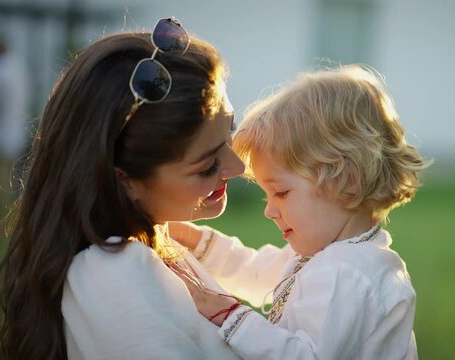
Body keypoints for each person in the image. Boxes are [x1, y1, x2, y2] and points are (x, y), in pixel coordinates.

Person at [0, 18, 245, 359]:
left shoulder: (152, 246)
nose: (238, 167)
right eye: (208, 165)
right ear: (125, 181)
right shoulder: (113, 277)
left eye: (229, 129)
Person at [171, 65, 428, 359]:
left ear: (348, 181)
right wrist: (197, 242)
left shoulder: (346, 272)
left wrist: (230, 316)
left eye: (281, 192)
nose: (269, 210)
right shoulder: (334, 254)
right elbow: (256, 272)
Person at [0, 34, 29, 225]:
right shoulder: (17, 67)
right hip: (16, 132)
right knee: (10, 180)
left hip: (0, 136)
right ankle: (8, 217)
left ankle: (0, 218)